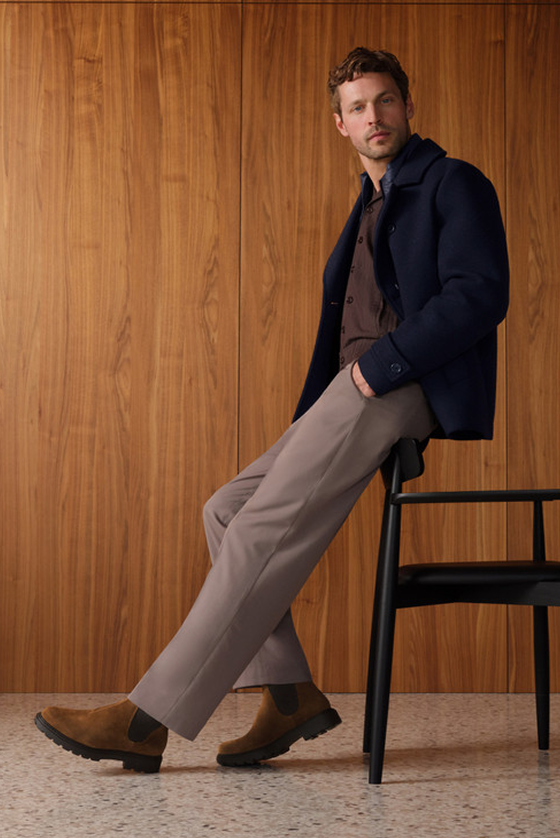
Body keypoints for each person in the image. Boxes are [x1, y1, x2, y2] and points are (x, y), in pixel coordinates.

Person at [35, 47, 509, 773]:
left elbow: (479, 294)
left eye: (385, 100)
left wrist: (377, 370)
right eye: (358, 107)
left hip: (400, 384)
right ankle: (288, 694)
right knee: (227, 509)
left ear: (408, 107)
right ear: (340, 124)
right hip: (350, 389)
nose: (374, 116)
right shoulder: (369, 202)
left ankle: (146, 718)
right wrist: (335, 394)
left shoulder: (453, 182)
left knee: (260, 525)